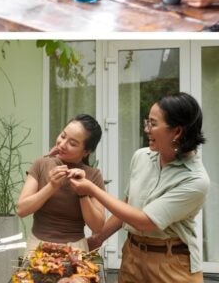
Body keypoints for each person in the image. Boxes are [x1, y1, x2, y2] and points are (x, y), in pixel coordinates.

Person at [71, 93, 209, 282]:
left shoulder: (195, 180)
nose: (146, 129)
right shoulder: (141, 157)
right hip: (132, 257)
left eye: (153, 124)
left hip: (171, 266)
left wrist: (92, 189)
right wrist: (97, 239)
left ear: (177, 132)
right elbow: (128, 206)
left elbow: (145, 222)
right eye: (147, 122)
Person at [16, 115, 105, 252]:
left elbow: (98, 226)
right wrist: (52, 186)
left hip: (75, 249)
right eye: (63, 136)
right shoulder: (41, 164)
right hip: (37, 247)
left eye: (72, 144)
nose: (62, 144)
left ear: (86, 151)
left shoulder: (93, 175)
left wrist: (83, 193)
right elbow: (21, 210)